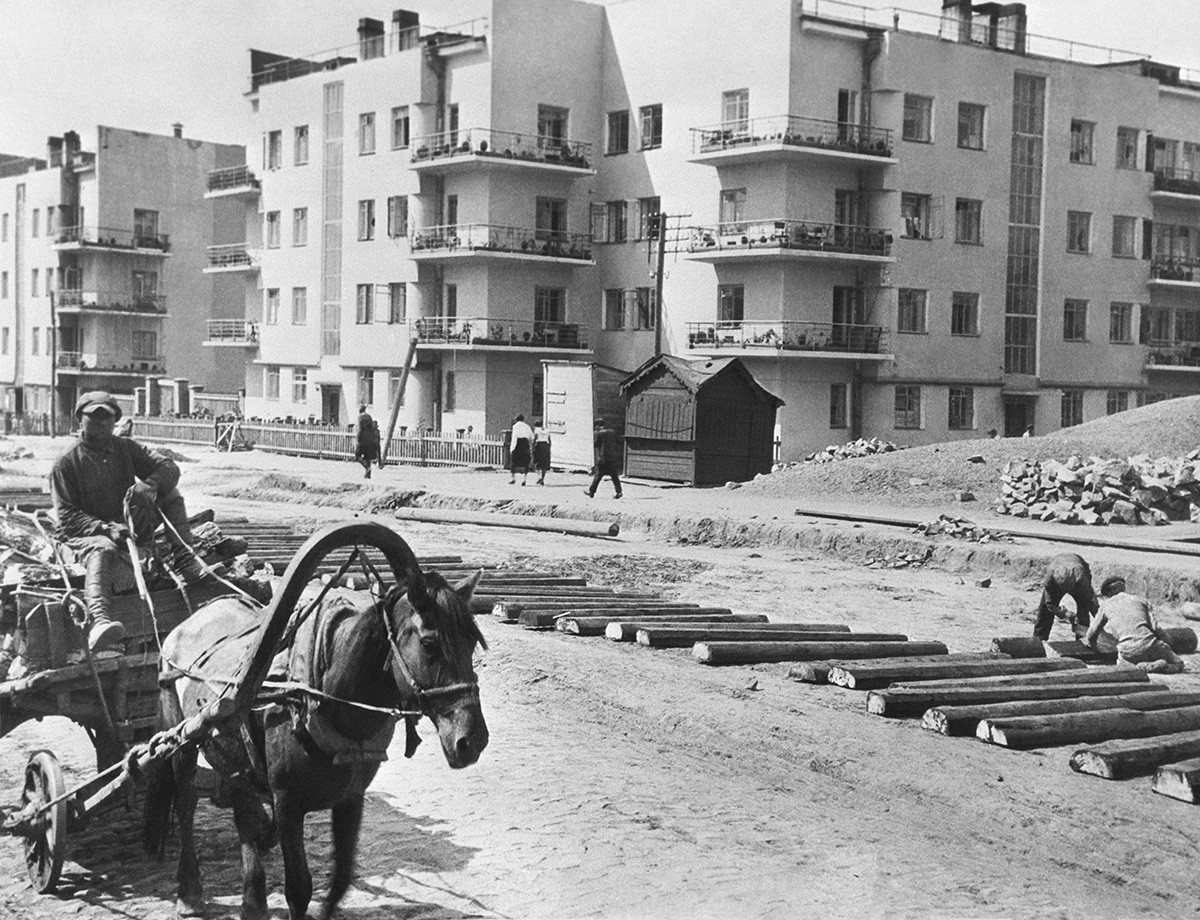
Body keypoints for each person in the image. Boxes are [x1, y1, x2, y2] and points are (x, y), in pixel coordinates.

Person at [49, 391, 205, 652]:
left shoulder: (125, 448)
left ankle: (187, 561)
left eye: (107, 418)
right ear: (80, 421)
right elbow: (67, 517)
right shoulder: (66, 463)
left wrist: (149, 486)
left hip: (128, 527)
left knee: (172, 496)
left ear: (115, 422)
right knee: (102, 548)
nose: (101, 424)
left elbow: (169, 468)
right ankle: (99, 620)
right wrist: (107, 529)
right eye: (94, 417)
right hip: (84, 533)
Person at [1086, 576, 1185, 673]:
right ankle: (1161, 666)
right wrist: (1167, 644)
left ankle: (1137, 667)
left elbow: (1092, 632)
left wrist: (1093, 646)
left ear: (1109, 593)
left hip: (1127, 650)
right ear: (1123, 588)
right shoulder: (1140, 600)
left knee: (1122, 665)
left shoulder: (1105, 605)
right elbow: (1155, 627)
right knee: (1179, 663)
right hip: (1150, 645)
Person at [1032, 552, 1098, 641]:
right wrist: (1064, 614)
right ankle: (1039, 640)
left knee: (1083, 608)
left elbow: (1092, 602)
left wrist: (1101, 620)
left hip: (1079, 566)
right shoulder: (1050, 579)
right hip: (1059, 565)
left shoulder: (1081, 579)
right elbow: (1049, 604)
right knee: (1044, 611)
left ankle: (1082, 641)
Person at [584, 417, 623, 499]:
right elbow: (619, 442)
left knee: (598, 475)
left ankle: (591, 492)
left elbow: (596, 444)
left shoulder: (599, 433)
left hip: (603, 458)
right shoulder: (613, 432)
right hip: (612, 458)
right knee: (614, 476)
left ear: (597, 426)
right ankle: (619, 492)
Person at [355, 405, 380, 479]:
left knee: (357, 456)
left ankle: (367, 467)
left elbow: (360, 429)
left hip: (363, 437)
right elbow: (372, 427)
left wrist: (358, 439)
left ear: (360, 410)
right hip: (370, 437)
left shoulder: (360, 417)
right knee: (367, 457)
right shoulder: (369, 416)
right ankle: (367, 474)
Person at [509, 414, 533, 485]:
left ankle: (513, 478)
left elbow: (514, 438)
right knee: (525, 461)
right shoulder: (527, 426)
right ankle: (524, 479)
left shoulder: (515, 426)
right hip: (525, 443)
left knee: (514, 461)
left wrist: (512, 448)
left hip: (518, 444)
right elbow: (532, 437)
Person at [532, 418, 552, 486]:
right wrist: (548, 449)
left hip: (539, 445)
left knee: (537, 462)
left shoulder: (536, 430)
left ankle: (539, 476)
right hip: (546, 446)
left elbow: (534, 439)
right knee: (544, 464)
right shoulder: (547, 430)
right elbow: (550, 441)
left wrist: (532, 448)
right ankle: (542, 478)